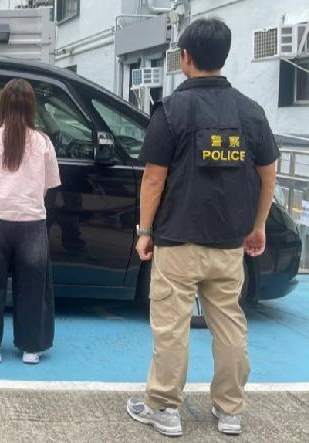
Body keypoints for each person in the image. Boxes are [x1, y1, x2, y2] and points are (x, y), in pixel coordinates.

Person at [126, 18, 278, 437]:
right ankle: (229, 411)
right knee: (230, 323)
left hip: (177, 241)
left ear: (185, 57)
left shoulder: (171, 110)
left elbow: (154, 177)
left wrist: (144, 230)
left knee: (171, 326)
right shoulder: (250, 111)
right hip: (230, 242)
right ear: (224, 57)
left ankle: (164, 409)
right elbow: (269, 174)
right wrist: (258, 225)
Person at [0, 78, 60, 365]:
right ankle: (31, 348)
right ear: (32, 108)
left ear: (2, 107)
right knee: (33, 284)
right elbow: (47, 186)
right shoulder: (43, 143)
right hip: (31, 221)